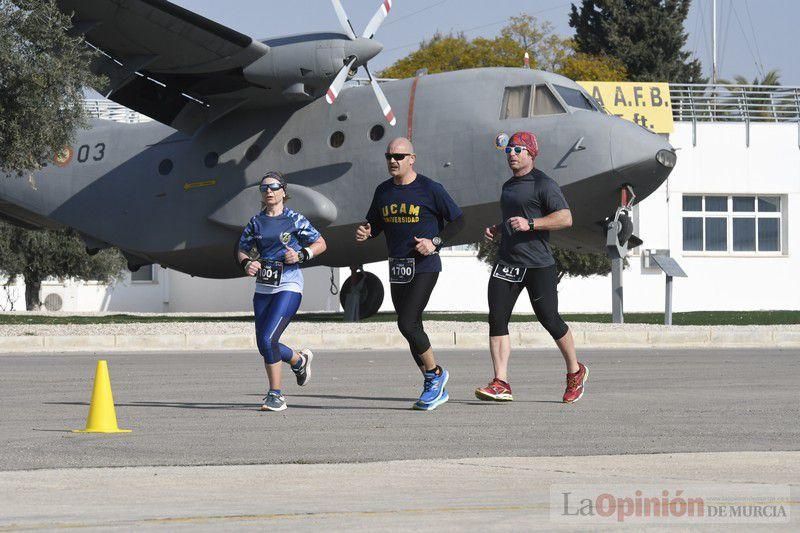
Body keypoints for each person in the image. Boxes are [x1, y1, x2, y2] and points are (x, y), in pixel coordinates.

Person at [476, 131, 588, 404]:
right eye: (508, 151)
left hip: (538, 265)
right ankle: (500, 382)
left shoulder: (544, 184)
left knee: (549, 319)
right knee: (497, 318)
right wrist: (497, 229)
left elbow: (565, 218)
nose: (512, 154)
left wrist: (533, 224)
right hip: (507, 262)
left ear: (530, 153)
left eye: (517, 150)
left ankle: (575, 371)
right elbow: (515, 218)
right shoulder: (508, 186)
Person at [355, 137, 465, 410]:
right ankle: (433, 386)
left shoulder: (430, 189)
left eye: (399, 156)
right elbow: (375, 225)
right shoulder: (383, 191)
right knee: (409, 327)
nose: (393, 161)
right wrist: (366, 232)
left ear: (412, 159)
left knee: (407, 322)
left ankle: (435, 375)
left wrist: (435, 243)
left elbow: (459, 220)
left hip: (425, 265)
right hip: (398, 267)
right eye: (389, 156)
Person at [237, 171, 327, 411]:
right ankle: (299, 360)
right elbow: (242, 249)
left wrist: (301, 254)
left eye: (274, 187)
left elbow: (321, 243)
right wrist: (247, 263)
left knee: (269, 339)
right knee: (263, 344)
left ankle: (276, 395)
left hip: (289, 285)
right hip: (263, 288)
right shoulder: (256, 222)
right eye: (264, 187)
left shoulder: (295, 220)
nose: (269, 191)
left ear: (283, 191)